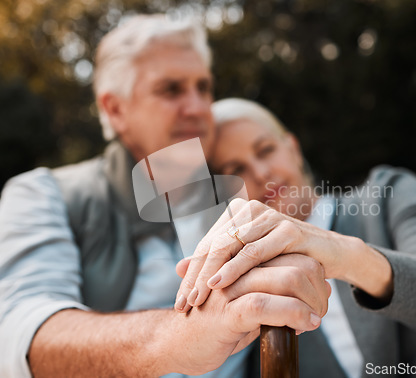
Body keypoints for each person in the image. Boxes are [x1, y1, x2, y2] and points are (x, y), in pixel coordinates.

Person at [0, 16, 330, 377]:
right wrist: (180, 339)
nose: (197, 107)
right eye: (171, 90)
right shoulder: (43, 193)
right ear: (114, 109)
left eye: (203, 88)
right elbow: (23, 336)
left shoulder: (239, 192)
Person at [176, 98, 416, 377]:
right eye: (236, 169)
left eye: (266, 149)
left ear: (293, 147)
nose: (261, 173)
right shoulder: (245, 287)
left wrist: (345, 254)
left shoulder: (388, 195)